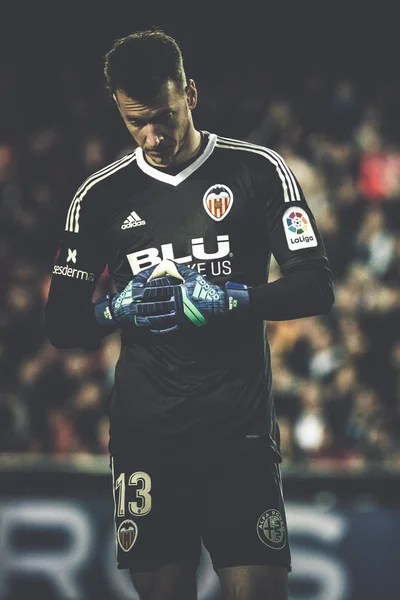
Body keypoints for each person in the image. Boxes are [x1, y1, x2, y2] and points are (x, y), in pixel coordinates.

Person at [45, 27, 334, 600]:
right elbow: (62, 324)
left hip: (239, 433)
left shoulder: (257, 171)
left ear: (190, 95)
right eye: (135, 121)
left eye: (163, 115)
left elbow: (316, 286)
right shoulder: (99, 196)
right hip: (147, 436)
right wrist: (117, 307)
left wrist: (235, 300)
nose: (151, 135)